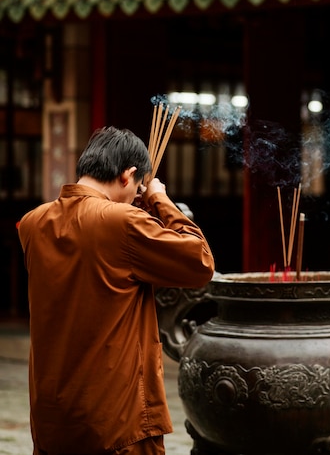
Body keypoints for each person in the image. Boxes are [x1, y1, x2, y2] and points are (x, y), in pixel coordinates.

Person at [18, 126, 215, 455]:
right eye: (138, 189)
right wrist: (159, 198)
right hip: (117, 419)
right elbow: (200, 262)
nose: (138, 198)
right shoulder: (120, 221)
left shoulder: (33, 223)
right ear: (129, 174)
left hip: (53, 418)